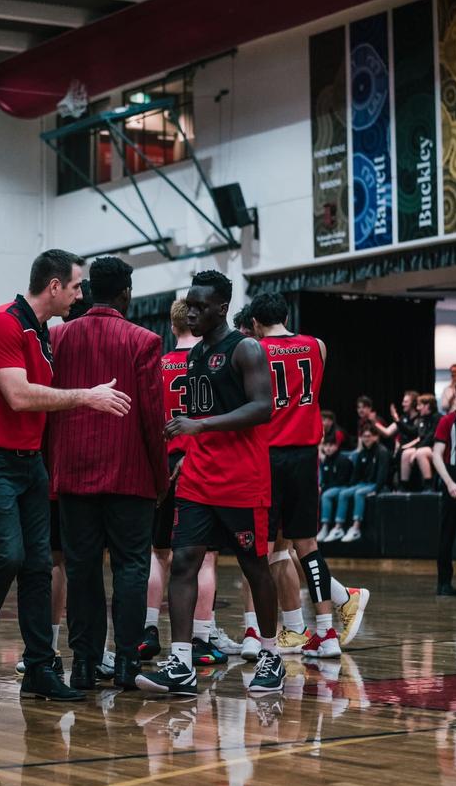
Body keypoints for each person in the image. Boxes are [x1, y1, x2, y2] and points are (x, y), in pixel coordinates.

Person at [0, 249, 130, 703]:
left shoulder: (46, 333)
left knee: (39, 565)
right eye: (75, 286)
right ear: (54, 287)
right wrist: (85, 398)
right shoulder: (1, 323)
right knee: (8, 556)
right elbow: (17, 396)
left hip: (29, 462)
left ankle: (39, 668)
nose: (80, 294)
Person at [136, 270, 284, 696]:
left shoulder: (247, 349)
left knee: (254, 565)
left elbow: (261, 408)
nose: (192, 311)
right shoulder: (197, 354)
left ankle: (271, 655)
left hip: (242, 478)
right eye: (189, 304)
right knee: (182, 561)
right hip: (199, 478)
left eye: (201, 305)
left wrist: (199, 427)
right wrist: (183, 457)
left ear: (222, 307)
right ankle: (181, 662)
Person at [49, 256, 168, 691]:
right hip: (130, 474)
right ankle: (126, 666)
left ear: (88, 290)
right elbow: (154, 418)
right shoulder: (144, 340)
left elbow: (48, 407)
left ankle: (82, 664)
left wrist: (52, 470)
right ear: (125, 294)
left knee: (80, 569)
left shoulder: (59, 336)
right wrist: (161, 478)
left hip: (73, 474)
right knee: (132, 569)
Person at [250, 292, 370, 658]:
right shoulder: (317, 346)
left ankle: (270, 635)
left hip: (268, 456)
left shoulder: (253, 352)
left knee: (266, 550)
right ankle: (326, 633)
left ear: (256, 323)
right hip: (305, 456)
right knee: (307, 545)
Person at [141, 298, 230, 667]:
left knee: (158, 553)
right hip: (200, 461)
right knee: (204, 557)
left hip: (163, 462)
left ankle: (148, 631)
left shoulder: (158, 365)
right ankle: (200, 636)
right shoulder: (213, 362)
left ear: (171, 326)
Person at [433, 376, 456, 596]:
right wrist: (449, 483)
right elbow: (437, 455)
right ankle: (443, 583)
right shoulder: (447, 421)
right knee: (447, 533)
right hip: (453, 476)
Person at [323, 422, 390, 542]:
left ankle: (356, 528)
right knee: (343, 494)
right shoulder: (362, 453)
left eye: (369, 436)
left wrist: (376, 490)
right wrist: (348, 487)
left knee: (359, 493)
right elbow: (356, 475)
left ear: (376, 437)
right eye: (364, 436)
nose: (366, 439)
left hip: (375, 485)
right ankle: (338, 528)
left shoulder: (382, 452)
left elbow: (382, 475)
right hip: (362, 484)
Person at [399, 393, 441, 491]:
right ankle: (404, 486)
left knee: (420, 453)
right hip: (425, 447)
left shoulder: (438, 418)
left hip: (438, 449)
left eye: (420, 405)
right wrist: (398, 421)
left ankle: (428, 486)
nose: (417, 408)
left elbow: (430, 437)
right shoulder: (422, 419)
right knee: (406, 453)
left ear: (427, 406)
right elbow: (414, 432)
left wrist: (416, 450)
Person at [317, 436, 354, 541]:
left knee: (326, 495)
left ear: (336, 446)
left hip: (344, 487)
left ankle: (329, 527)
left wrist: (324, 488)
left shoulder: (343, 460)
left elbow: (342, 480)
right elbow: (324, 479)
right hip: (330, 487)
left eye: (330, 446)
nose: (328, 448)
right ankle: (318, 528)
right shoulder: (325, 461)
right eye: (326, 445)